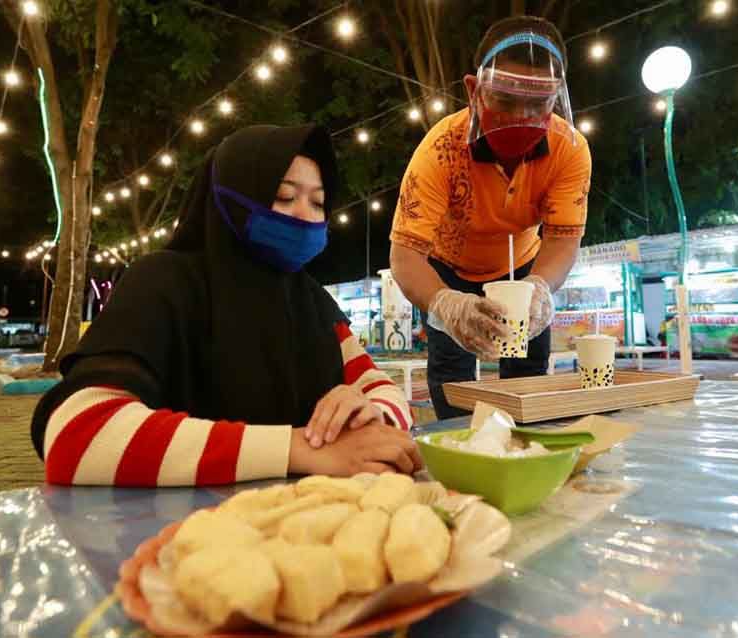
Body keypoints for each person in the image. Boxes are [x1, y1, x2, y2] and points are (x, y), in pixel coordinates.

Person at [30, 124, 420, 486]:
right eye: (283, 196)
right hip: (173, 540)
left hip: (302, 536)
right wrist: (300, 448)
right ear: (228, 201)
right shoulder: (163, 283)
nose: (305, 215)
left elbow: (385, 391)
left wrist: (371, 416)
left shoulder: (312, 301)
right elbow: (76, 434)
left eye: (317, 203)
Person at [389, 16, 592, 418]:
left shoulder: (569, 150)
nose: (521, 116)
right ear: (473, 90)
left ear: (557, 97)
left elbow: (562, 240)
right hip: (447, 268)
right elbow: (405, 256)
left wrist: (541, 287)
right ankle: (458, 453)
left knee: (528, 370)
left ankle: (527, 454)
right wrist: (445, 303)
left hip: (522, 269)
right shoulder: (441, 150)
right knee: (452, 371)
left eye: (539, 104)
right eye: (504, 99)